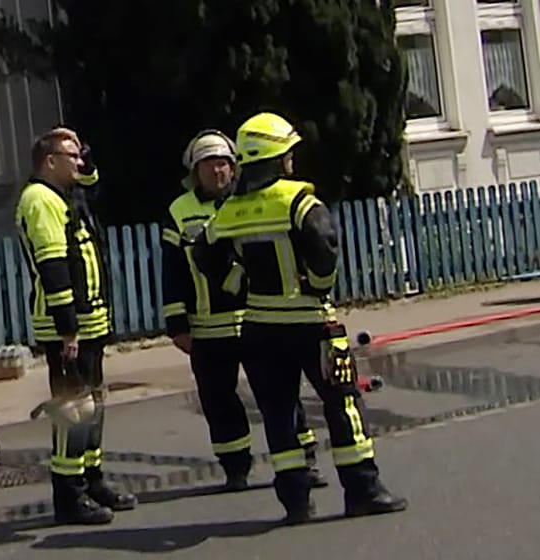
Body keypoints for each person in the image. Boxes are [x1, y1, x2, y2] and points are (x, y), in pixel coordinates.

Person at [199, 112, 407, 524]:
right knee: (343, 402)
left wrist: (235, 283)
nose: (293, 160)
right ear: (279, 157)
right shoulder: (298, 200)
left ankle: (295, 502)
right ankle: (363, 489)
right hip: (315, 325)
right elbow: (325, 246)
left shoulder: (230, 210)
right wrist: (317, 284)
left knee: (279, 413)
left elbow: (204, 253)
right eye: (289, 153)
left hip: (258, 328)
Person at [161, 130, 327, 492]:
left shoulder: (250, 201)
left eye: (224, 164)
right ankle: (236, 467)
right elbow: (173, 270)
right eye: (209, 165)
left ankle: (304, 459)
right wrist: (177, 323)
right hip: (209, 328)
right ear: (195, 170)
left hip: (257, 320)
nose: (218, 172)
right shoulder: (179, 212)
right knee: (218, 400)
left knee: (279, 395)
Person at [15, 127, 135, 525]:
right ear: (50, 162)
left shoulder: (66, 196)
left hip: (91, 321)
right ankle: (70, 495)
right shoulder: (40, 200)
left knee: (93, 405)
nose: (80, 163)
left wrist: (84, 151)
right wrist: (68, 329)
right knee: (74, 410)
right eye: (72, 156)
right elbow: (53, 267)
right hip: (67, 326)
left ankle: (91, 478)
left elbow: (93, 188)